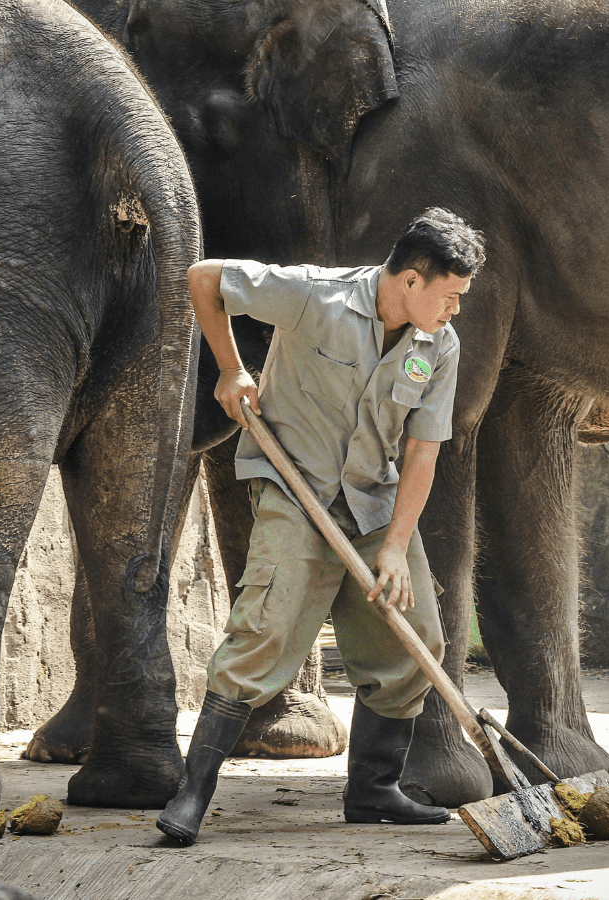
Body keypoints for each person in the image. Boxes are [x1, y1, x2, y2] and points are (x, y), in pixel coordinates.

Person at [156, 208, 486, 845]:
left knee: (415, 639)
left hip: (372, 503)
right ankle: (193, 791)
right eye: (450, 296)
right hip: (292, 489)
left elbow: (422, 453)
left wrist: (394, 546)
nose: (455, 311)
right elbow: (204, 278)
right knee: (264, 632)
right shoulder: (315, 295)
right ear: (412, 282)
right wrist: (229, 368)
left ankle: (374, 789)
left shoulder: (437, 348)